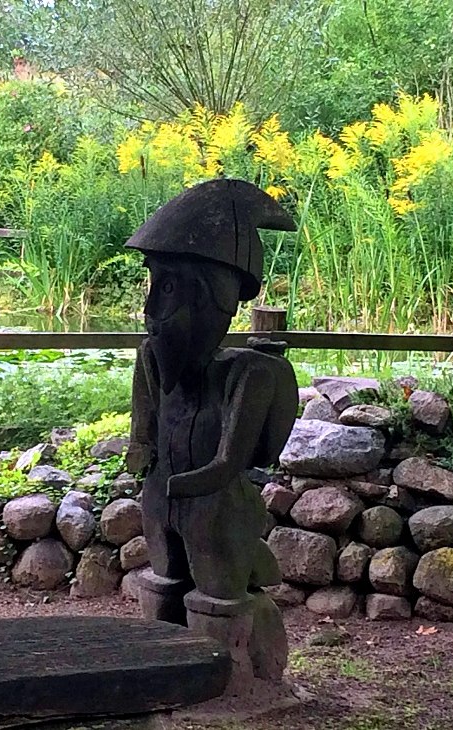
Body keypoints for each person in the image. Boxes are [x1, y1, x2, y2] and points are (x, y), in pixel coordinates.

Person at [125, 179, 299, 683]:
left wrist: (181, 486)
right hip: (164, 499)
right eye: (153, 283)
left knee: (218, 596)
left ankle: (233, 679)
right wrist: (146, 468)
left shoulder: (253, 375)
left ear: (215, 298)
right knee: (163, 584)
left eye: (171, 287)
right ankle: (161, 673)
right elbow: (144, 434)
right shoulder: (152, 362)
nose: (153, 309)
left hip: (214, 508)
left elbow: (229, 463)